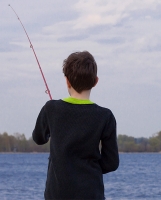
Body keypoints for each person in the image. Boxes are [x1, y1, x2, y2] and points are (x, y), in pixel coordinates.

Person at [32, 51, 119, 200]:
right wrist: (90, 169)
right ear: (95, 81)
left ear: (67, 81)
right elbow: (111, 163)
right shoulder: (105, 116)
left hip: (57, 195)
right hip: (91, 194)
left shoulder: (51, 108)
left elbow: (39, 138)